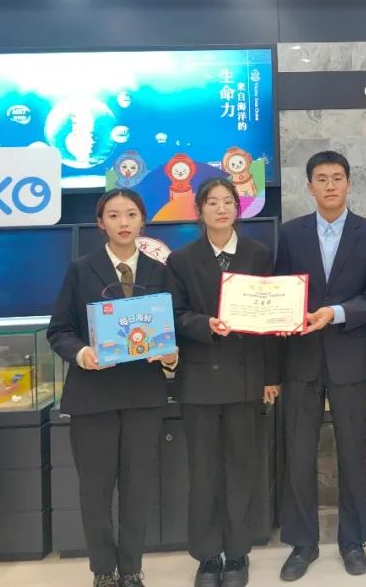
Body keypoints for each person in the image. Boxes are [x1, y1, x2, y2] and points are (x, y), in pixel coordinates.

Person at [47, 189, 178, 587]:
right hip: (93, 397)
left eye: (131, 214)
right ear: (100, 223)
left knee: (138, 489)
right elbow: (59, 330)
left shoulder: (160, 272)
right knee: (96, 490)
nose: (124, 222)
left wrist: (171, 355)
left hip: (143, 396)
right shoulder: (81, 269)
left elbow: (173, 329)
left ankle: (132, 568)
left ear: (143, 221)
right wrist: (82, 353)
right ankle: (104, 570)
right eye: (114, 215)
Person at [275, 151, 366, 581]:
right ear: (309, 186)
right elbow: (280, 291)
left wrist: (336, 312)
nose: (329, 185)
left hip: (349, 357)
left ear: (348, 183)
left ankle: (353, 540)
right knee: (298, 453)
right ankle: (302, 543)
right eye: (321, 178)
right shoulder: (290, 234)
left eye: (337, 177)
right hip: (300, 358)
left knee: (352, 451)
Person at [166, 178, 280, 587]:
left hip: (247, 377)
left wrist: (271, 376)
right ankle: (207, 557)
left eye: (228, 202)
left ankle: (237, 553)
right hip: (198, 378)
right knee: (203, 472)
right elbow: (175, 315)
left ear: (238, 208)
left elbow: (271, 317)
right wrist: (205, 325)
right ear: (199, 210)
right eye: (212, 202)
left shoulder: (258, 253)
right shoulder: (181, 260)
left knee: (241, 468)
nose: (220, 209)